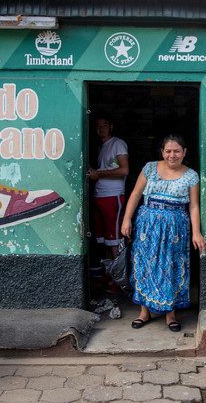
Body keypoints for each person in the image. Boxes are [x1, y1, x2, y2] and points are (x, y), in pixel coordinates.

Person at [120, 134, 206, 332]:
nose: (172, 155)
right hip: (147, 226)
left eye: (177, 151)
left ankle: (170, 314)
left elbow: (193, 206)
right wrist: (126, 219)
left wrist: (196, 233)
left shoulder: (191, 175)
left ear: (184, 152)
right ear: (162, 152)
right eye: (168, 151)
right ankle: (144, 312)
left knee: (171, 267)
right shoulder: (150, 168)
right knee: (144, 265)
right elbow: (135, 194)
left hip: (176, 229)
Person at [88, 116, 129, 293]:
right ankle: (110, 276)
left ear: (111, 126)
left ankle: (120, 282)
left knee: (114, 241)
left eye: (105, 125)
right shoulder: (102, 147)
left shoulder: (117, 144)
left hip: (113, 196)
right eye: (98, 125)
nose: (101, 128)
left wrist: (99, 174)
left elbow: (124, 170)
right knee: (103, 240)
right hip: (100, 195)